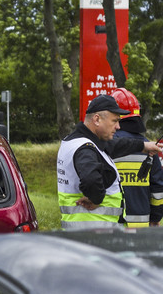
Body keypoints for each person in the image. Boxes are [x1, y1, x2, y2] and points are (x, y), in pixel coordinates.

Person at [57, 94, 162, 230]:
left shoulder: (78, 141)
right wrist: (96, 199)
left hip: (86, 229)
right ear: (97, 119)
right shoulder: (85, 148)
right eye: (114, 121)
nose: (118, 126)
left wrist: (143, 146)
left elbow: (114, 145)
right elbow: (91, 179)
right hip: (94, 231)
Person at [110, 88, 163, 227]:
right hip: (141, 227)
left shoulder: (104, 145)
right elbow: (157, 189)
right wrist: (155, 217)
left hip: (110, 226)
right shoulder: (149, 147)